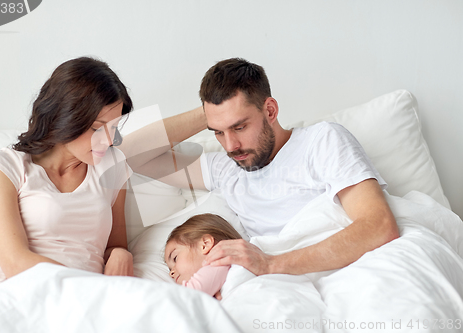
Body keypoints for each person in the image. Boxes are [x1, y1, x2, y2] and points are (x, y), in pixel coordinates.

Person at [139, 57, 400, 277]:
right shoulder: (224, 170)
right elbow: (131, 156)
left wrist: (270, 264)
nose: (230, 145)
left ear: (271, 111)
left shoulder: (321, 141)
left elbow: (379, 226)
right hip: (288, 290)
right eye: (218, 131)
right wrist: (210, 111)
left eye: (239, 127)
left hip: (354, 272)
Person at [0, 56, 206, 295]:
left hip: (87, 305)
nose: (108, 140)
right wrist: (92, 290)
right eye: (97, 128)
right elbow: (14, 262)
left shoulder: (110, 168)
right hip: (17, 295)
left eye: (114, 128)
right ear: (63, 116)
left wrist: (120, 253)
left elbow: (115, 245)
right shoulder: (3, 167)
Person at [164, 213, 242, 299]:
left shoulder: (218, 263)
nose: (171, 273)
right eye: (170, 269)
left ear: (205, 244)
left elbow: (186, 297)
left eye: (175, 258)